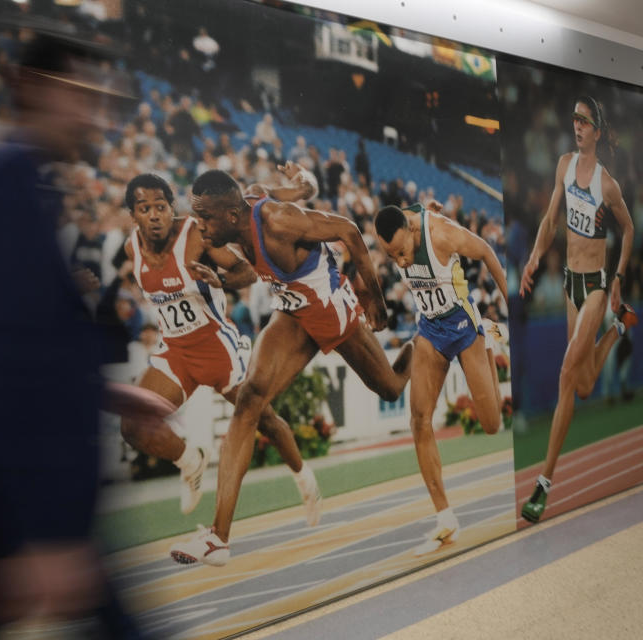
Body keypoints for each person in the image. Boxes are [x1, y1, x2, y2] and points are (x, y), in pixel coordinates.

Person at [0, 29, 154, 639]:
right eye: (78, 95)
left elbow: (29, 344)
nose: (92, 113)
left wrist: (103, 390)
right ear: (32, 88)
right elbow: (0, 361)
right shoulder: (5, 188)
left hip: (9, 496)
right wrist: (43, 530)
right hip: (16, 500)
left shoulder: (23, 185)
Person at [169, 167, 412, 566]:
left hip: (332, 308)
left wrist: (375, 298)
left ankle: (422, 345)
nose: (199, 226)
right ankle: (218, 537)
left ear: (231, 216)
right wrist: (304, 178)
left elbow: (349, 230)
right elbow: (303, 190)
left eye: (205, 218)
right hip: (293, 313)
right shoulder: (241, 212)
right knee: (248, 400)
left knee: (390, 388)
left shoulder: (278, 221)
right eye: (195, 216)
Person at [122, 173, 321, 522]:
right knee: (133, 425)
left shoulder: (195, 235)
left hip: (218, 349)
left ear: (172, 208)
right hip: (176, 353)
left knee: (267, 421)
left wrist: (222, 280)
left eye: (160, 206)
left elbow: (247, 271)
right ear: (133, 215)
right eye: (144, 208)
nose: (154, 215)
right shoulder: (130, 249)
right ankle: (191, 461)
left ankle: (304, 478)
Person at [519, 95, 636, 523]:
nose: (577, 125)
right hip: (569, 283)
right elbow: (551, 220)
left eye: (585, 120)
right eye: (574, 119)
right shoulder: (564, 165)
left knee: (568, 374)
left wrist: (619, 277)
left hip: (596, 287)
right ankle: (617, 332)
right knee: (585, 386)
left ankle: (542, 485)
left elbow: (629, 229)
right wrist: (534, 257)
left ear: (598, 131)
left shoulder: (607, 184)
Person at [374, 202, 508, 555]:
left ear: (413, 232)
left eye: (401, 252)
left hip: (464, 326)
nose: (400, 262)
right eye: (392, 256)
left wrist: (514, 308)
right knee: (419, 419)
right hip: (430, 330)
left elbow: (487, 252)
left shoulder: (441, 233)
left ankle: (490, 340)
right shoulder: (399, 223)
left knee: (492, 424)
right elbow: (405, 212)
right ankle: (444, 517)